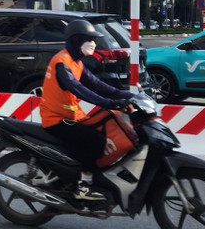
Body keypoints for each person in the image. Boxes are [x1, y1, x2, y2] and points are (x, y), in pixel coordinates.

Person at [39, 20, 135, 202]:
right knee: (96, 141)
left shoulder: (76, 62)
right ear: (77, 40)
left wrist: (126, 95)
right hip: (56, 119)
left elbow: (97, 85)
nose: (94, 43)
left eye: (94, 39)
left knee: (102, 130)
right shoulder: (62, 62)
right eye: (89, 39)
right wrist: (111, 103)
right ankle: (84, 186)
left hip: (71, 116)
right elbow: (79, 89)